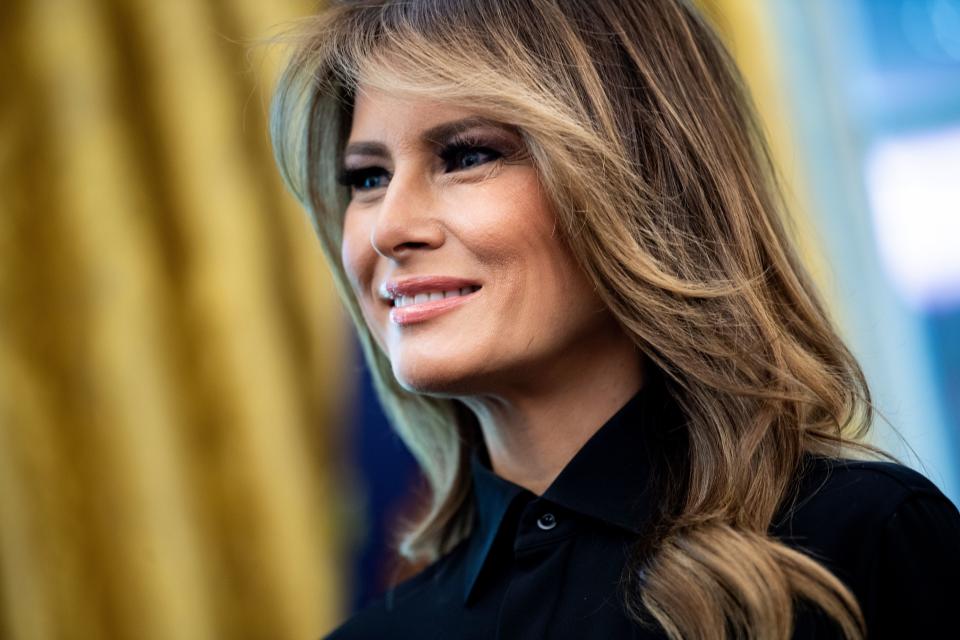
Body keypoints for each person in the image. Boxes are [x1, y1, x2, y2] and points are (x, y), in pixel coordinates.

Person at [269, 1, 960, 638]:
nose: (389, 227)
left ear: (643, 181)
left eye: (467, 156)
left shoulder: (866, 540)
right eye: (367, 177)